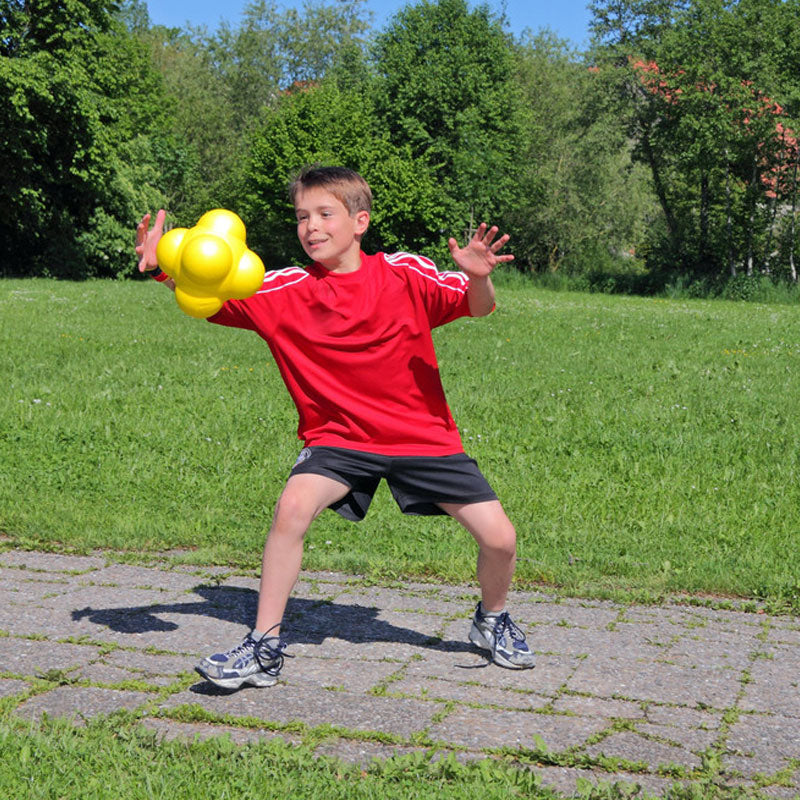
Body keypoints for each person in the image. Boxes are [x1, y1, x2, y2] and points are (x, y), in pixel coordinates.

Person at [135, 166, 535, 690]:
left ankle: (492, 619)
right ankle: (264, 646)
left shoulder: (405, 273)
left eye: (325, 214)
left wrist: (479, 276)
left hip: (423, 438)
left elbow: (475, 307)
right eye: (303, 216)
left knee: (500, 538)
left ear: (360, 221)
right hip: (338, 439)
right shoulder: (282, 288)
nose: (311, 227)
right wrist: (162, 268)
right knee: (293, 508)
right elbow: (211, 291)